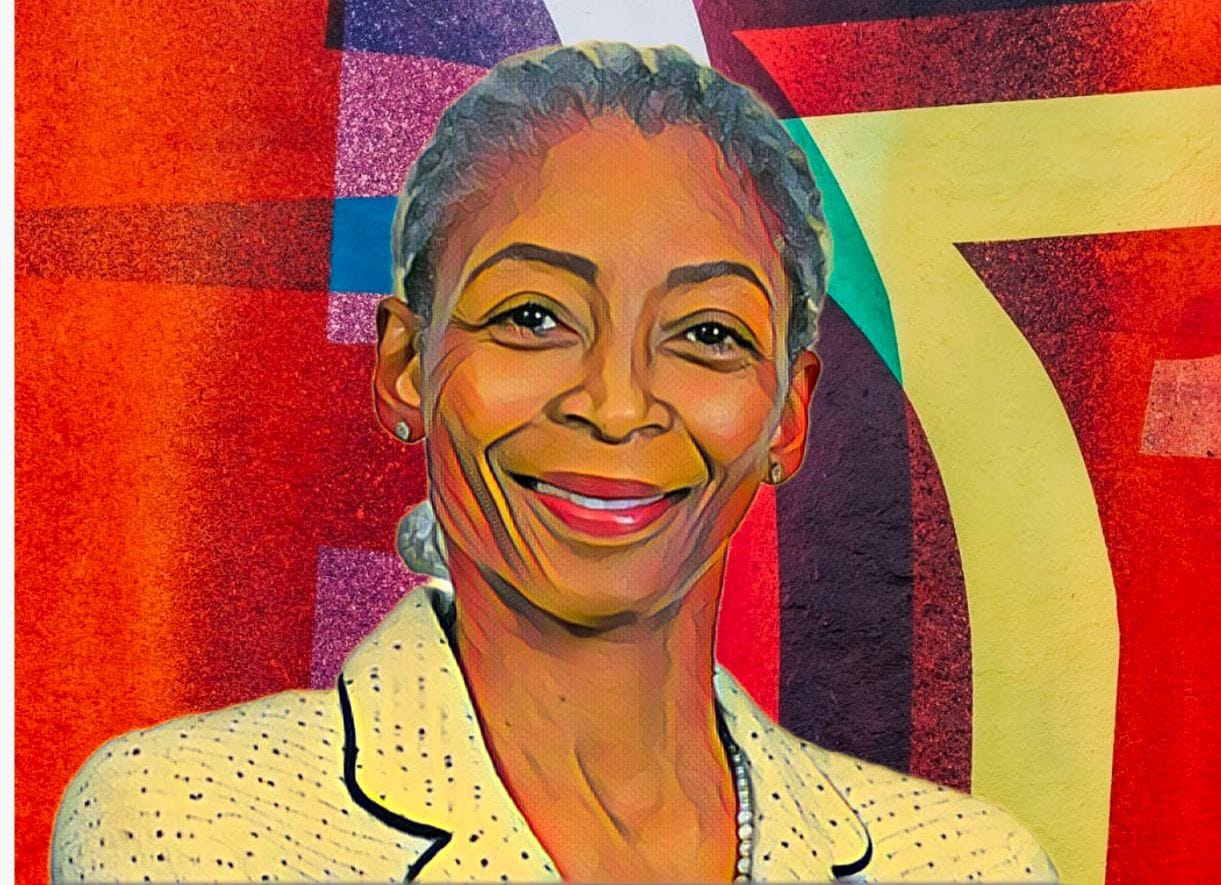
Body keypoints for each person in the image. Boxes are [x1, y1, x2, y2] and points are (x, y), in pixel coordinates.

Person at [50, 42, 1056, 883]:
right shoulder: (191, 823)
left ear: (788, 416)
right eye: (533, 317)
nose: (617, 406)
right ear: (405, 366)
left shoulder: (967, 865)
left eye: (708, 333)